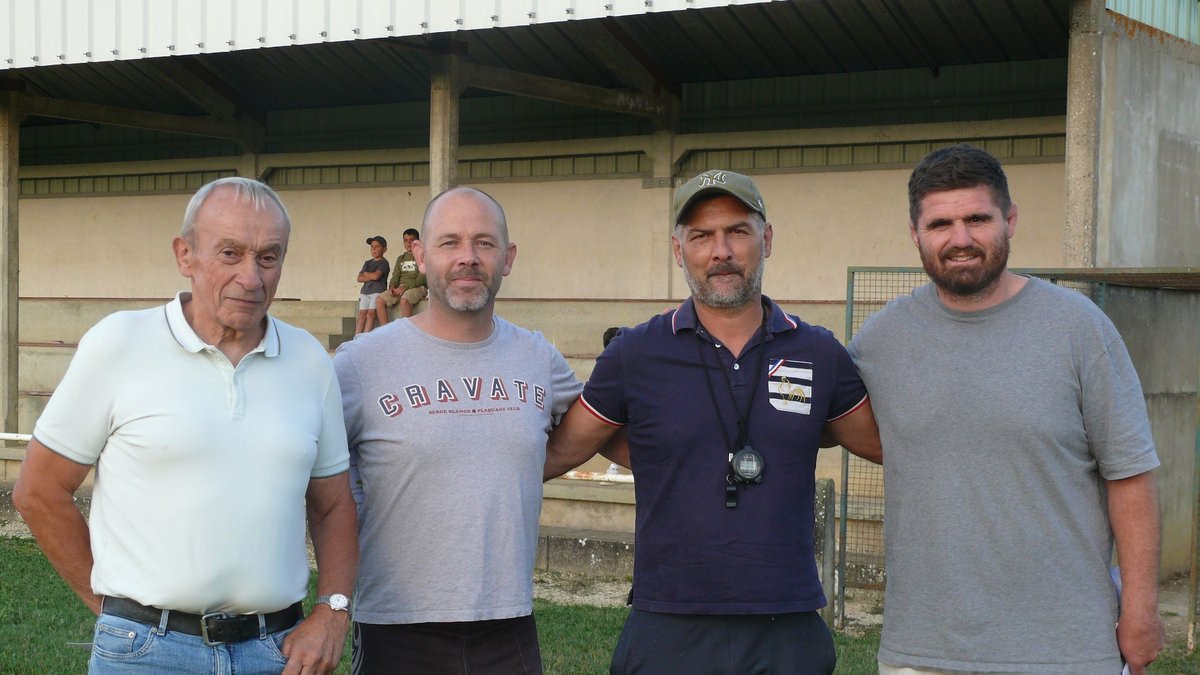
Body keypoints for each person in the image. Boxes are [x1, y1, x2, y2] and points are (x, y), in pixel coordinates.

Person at [12, 177, 358, 675]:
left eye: (268, 256)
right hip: (146, 655)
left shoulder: (310, 361)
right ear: (185, 255)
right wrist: (116, 613)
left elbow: (333, 504)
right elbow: (39, 490)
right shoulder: (120, 344)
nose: (252, 277)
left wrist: (332, 611)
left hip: (276, 653)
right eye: (230, 254)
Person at [544, 169, 882, 674]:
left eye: (737, 231)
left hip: (786, 623)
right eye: (701, 236)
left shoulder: (818, 352)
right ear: (679, 251)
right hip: (668, 622)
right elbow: (560, 451)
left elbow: (889, 446)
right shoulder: (634, 354)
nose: (720, 251)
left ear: (766, 239)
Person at [847, 144, 1163, 674]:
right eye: (941, 223)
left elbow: (1130, 474)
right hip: (925, 652)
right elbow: (852, 427)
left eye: (978, 219)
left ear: (1010, 220)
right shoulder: (883, 339)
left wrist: (1141, 608)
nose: (960, 239)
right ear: (915, 233)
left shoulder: (1077, 327)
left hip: (1066, 650)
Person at [333, 186, 582, 674]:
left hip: (508, 621)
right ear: (421, 257)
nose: (468, 258)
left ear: (507, 258)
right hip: (395, 625)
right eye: (450, 243)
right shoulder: (360, 363)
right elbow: (319, 482)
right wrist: (332, 601)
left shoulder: (537, 357)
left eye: (484, 243)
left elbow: (588, 433)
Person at [373, 227, 427, 325]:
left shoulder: (422, 256)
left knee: (404, 300)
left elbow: (422, 279)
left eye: (411, 240)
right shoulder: (400, 258)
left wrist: (405, 287)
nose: (408, 243)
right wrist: (392, 287)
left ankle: (407, 332)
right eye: (405, 240)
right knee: (379, 300)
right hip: (400, 288)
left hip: (418, 287)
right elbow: (395, 276)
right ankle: (386, 330)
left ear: (418, 241)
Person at [355, 236, 390, 334]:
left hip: (377, 291)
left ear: (384, 249)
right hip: (365, 291)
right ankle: (356, 338)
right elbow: (359, 278)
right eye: (372, 247)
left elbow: (376, 276)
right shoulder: (367, 262)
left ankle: (365, 338)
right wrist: (370, 275)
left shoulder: (384, 263)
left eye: (377, 246)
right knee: (362, 314)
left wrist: (366, 274)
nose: (373, 249)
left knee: (370, 314)